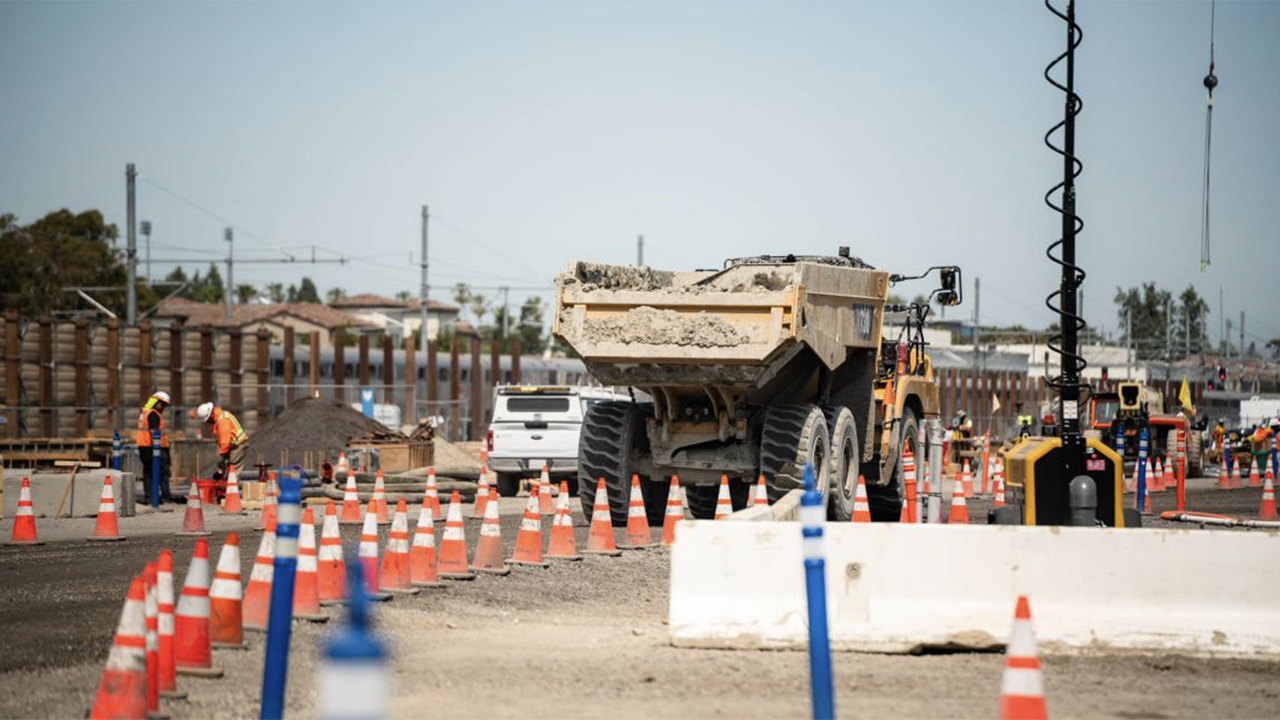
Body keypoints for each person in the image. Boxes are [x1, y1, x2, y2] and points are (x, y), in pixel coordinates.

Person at [136, 391, 175, 504]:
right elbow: (155, 434)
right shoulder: (153, 414)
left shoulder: (145, 413)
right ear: (156, 402)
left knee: (148, 473)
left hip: (144, 447)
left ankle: (150, 497)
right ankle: (165, 497)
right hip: (156, 448)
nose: (163, 408)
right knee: (162, 473)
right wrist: (159, 448)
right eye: (162, 405)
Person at [197, 401, 249, 481]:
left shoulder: (222, 420)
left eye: (207, 420)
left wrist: (222, 457)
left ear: (211, 415)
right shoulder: (219, 418)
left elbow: (225, 442)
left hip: (238, 446)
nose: (208, 423)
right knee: (228, 471)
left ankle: (231, 492)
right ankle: (227, 490)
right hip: (233, 446)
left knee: (232, 472)